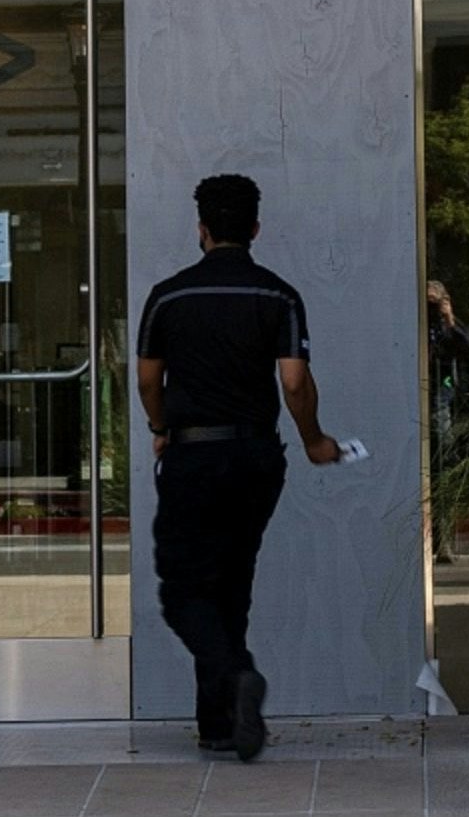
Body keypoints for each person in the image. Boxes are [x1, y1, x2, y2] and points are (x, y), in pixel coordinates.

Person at [135, 172, 343, 762]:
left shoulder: (168, 296)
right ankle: (220, 725)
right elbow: (295, 382)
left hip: (191, 453)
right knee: (231, 584)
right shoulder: (278, 296)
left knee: (184, 592)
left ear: (201, 230)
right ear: (254, 229)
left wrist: (159, 430)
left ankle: (234, 677)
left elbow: (149, 379)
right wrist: (314, 440)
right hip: (255, 456)